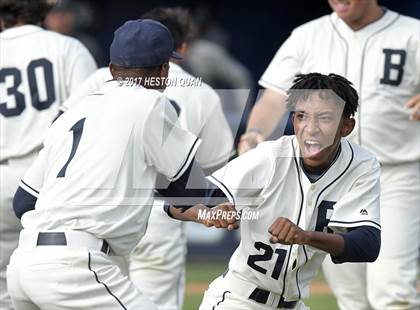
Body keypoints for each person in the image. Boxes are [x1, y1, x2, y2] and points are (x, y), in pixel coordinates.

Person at [7, 19, 236, 310]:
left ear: (112, 70)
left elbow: (23, 201)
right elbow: (191, 191)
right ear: (165, 70)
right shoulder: (150, 103)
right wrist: (234, 204)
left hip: (24, 265)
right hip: (75, 267)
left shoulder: (73, 114)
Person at [238, 1, 420, 309]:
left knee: (393, 291)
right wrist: (254, 132)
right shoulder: (308, 35)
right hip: (333, 177)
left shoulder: (412, 33)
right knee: (351, 297)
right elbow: (275, 97)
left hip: (396, 174)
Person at [193, 72, 381, 310]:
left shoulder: (362, 164)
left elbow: (368, 244)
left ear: (347, 126)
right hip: (237, 300)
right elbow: (179, 204)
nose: (310, 128)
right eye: (301, 116)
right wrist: (207, 213)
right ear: (294, 122)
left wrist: (305, 236)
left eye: (324, 118)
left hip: (294, 304)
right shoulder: (270, 156)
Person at [0, 0, 97, 308]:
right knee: (61, 279)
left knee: (5, 289)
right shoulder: (68, 47)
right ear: (42, 12)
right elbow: (88, 117)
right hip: (48, 179)